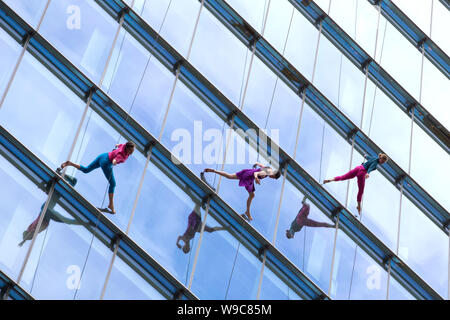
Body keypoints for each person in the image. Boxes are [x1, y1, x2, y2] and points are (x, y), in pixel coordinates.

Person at [58, 141, 135, 214]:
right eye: (131, 150)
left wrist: (117, 146)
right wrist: (114, 162)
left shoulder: (123, 146)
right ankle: (111, 205)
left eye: (133, 150)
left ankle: (70, 163)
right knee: (113, 184)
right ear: (127, 149)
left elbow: (118, 145)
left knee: (86, 169)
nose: (132, 152)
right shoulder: (121, 155)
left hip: (103, 156)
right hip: (106, 162)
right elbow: (115, 159)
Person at [18, 175, 88, 247]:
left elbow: (29, 233)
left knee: (55, 198)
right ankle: (66, 182)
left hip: (44, 212)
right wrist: (24, 241)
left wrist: (23, 241)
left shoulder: (30, 229)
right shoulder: (34, 231)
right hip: (45, 212)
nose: (30, 232)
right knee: (56, 197)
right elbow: (30, 234)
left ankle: (63, 181)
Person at [202, 162, 281, 221]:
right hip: (249, 177)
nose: (272, 178)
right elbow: (256, 173)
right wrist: (256, 178)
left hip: (247, 172)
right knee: (252, 195)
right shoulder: (267, 172)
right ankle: (247, 212)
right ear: (274, 174)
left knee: (230, 176)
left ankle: (214, 171)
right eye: (273, 177)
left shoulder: (268, 169)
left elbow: (260, 166)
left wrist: (256, 164)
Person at [323, 153, 388, 214]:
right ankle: (359, 206)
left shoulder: (373, 158)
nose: (382, 163)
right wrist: (368, 173)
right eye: (383, 162)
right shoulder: (375, 164)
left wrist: (365, 156)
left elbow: (367, 157)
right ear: (381, 159)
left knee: (343, 177)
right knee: (361, 191)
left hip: (358, 168)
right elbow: (371, 167)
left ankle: (331, 179)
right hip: (362, 172)